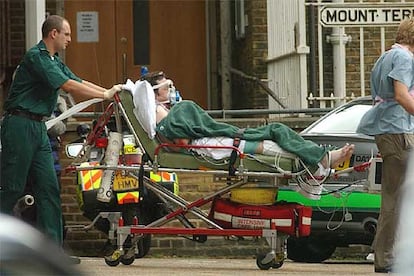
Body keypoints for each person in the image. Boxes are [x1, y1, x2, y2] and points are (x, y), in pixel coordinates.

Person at [0, 15, 122, 247]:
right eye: (66, 34)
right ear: (53, 34)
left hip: (38, 127)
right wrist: (103, 95)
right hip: (19, 124)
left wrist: (109, 91)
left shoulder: (54, 60)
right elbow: (67, 86)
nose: (70, 39)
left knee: (48, 188)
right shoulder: (37, 57)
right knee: (12, 187)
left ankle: (52, 253)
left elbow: (78, 80)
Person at [141, 71, 355, 172]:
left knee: (277, 130)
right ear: (154, 92)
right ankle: (322, 160)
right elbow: (183, 141)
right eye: (166, 87)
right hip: (213, 145)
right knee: (270, 143)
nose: (171, 90)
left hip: (217, 138)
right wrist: (183, 110)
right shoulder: (160, 112)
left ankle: (322, 159)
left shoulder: (166, 109)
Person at [357, 18, 414, 274]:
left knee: (393, 197)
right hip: (399, 130)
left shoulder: (386, 56)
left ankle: (386, 257)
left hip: (387, 130)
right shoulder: (404, 59)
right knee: (399, 199)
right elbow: (402, 95)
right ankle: (391, 258)